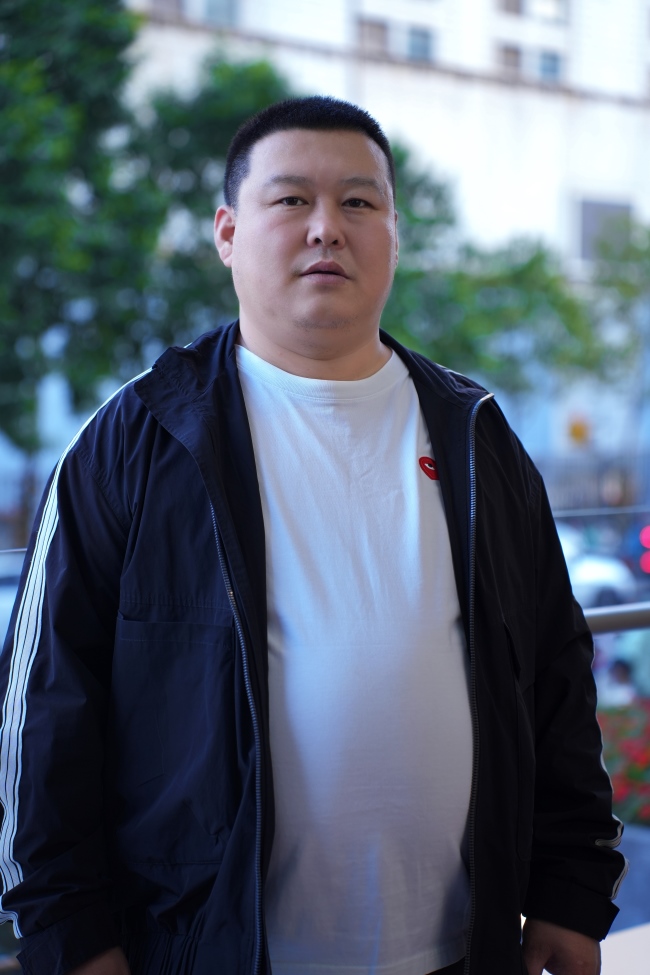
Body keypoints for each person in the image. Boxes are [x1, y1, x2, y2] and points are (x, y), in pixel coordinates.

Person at [0, 96, 626, 975]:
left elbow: (555, 668)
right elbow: (45, 714)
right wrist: (72, 941)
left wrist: (569, 887)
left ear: (395, 236)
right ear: (227, 233)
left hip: (460, 948)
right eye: (291, 199)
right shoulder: (134, 443)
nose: (327, 227)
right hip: (211, 953)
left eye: (359, 202)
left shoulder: (476, 434)